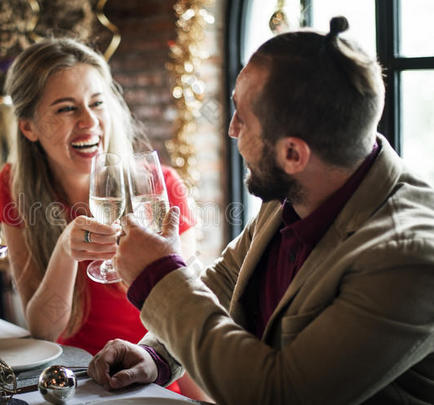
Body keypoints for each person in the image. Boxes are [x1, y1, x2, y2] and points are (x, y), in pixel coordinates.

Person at [88, 17, 434, 405]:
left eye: (242, 116)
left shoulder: (410, 257)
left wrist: (158, 276)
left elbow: (280, 394)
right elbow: (226, 281)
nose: (232, 129)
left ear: (293, 153)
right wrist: (158, 355)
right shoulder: (295, 188)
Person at [0, 38, 209, 400]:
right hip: (73, 383)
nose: (89, 121)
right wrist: (66, 247)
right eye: (66, 109)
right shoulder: (14, 185)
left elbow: (186, 321)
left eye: (97, 103)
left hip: (149, 377)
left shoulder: (159, 191)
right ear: (29, 127)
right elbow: (44, 331)